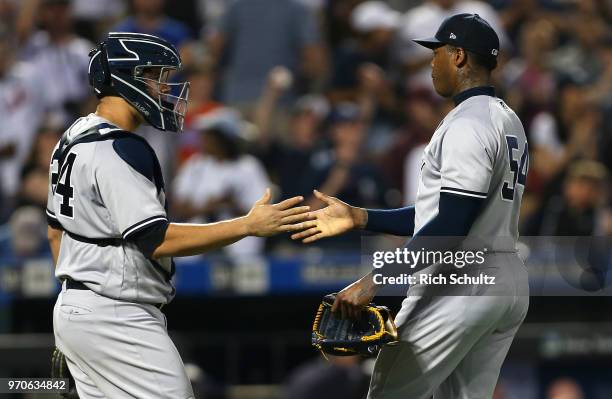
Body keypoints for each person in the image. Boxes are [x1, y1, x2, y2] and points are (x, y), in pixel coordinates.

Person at [46, 32, 315, 398]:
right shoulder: (120, 148)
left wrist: (75, 318)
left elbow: (55, 234)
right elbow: (157, 240)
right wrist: (247, 225)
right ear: (127, 78)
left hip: (75, 308)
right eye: (156, 76)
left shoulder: (71, 137)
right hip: (118, 315)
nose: (164, 88)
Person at [293, 14, 530, 398]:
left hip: (460, 279)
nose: (430, 64)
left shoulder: (467, 124)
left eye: (435, 53)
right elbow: (445, 213)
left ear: (458, 57)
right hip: (503, 278)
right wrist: (360, 217)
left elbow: (450, 226)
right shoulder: (507, 119)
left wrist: (374, 281)